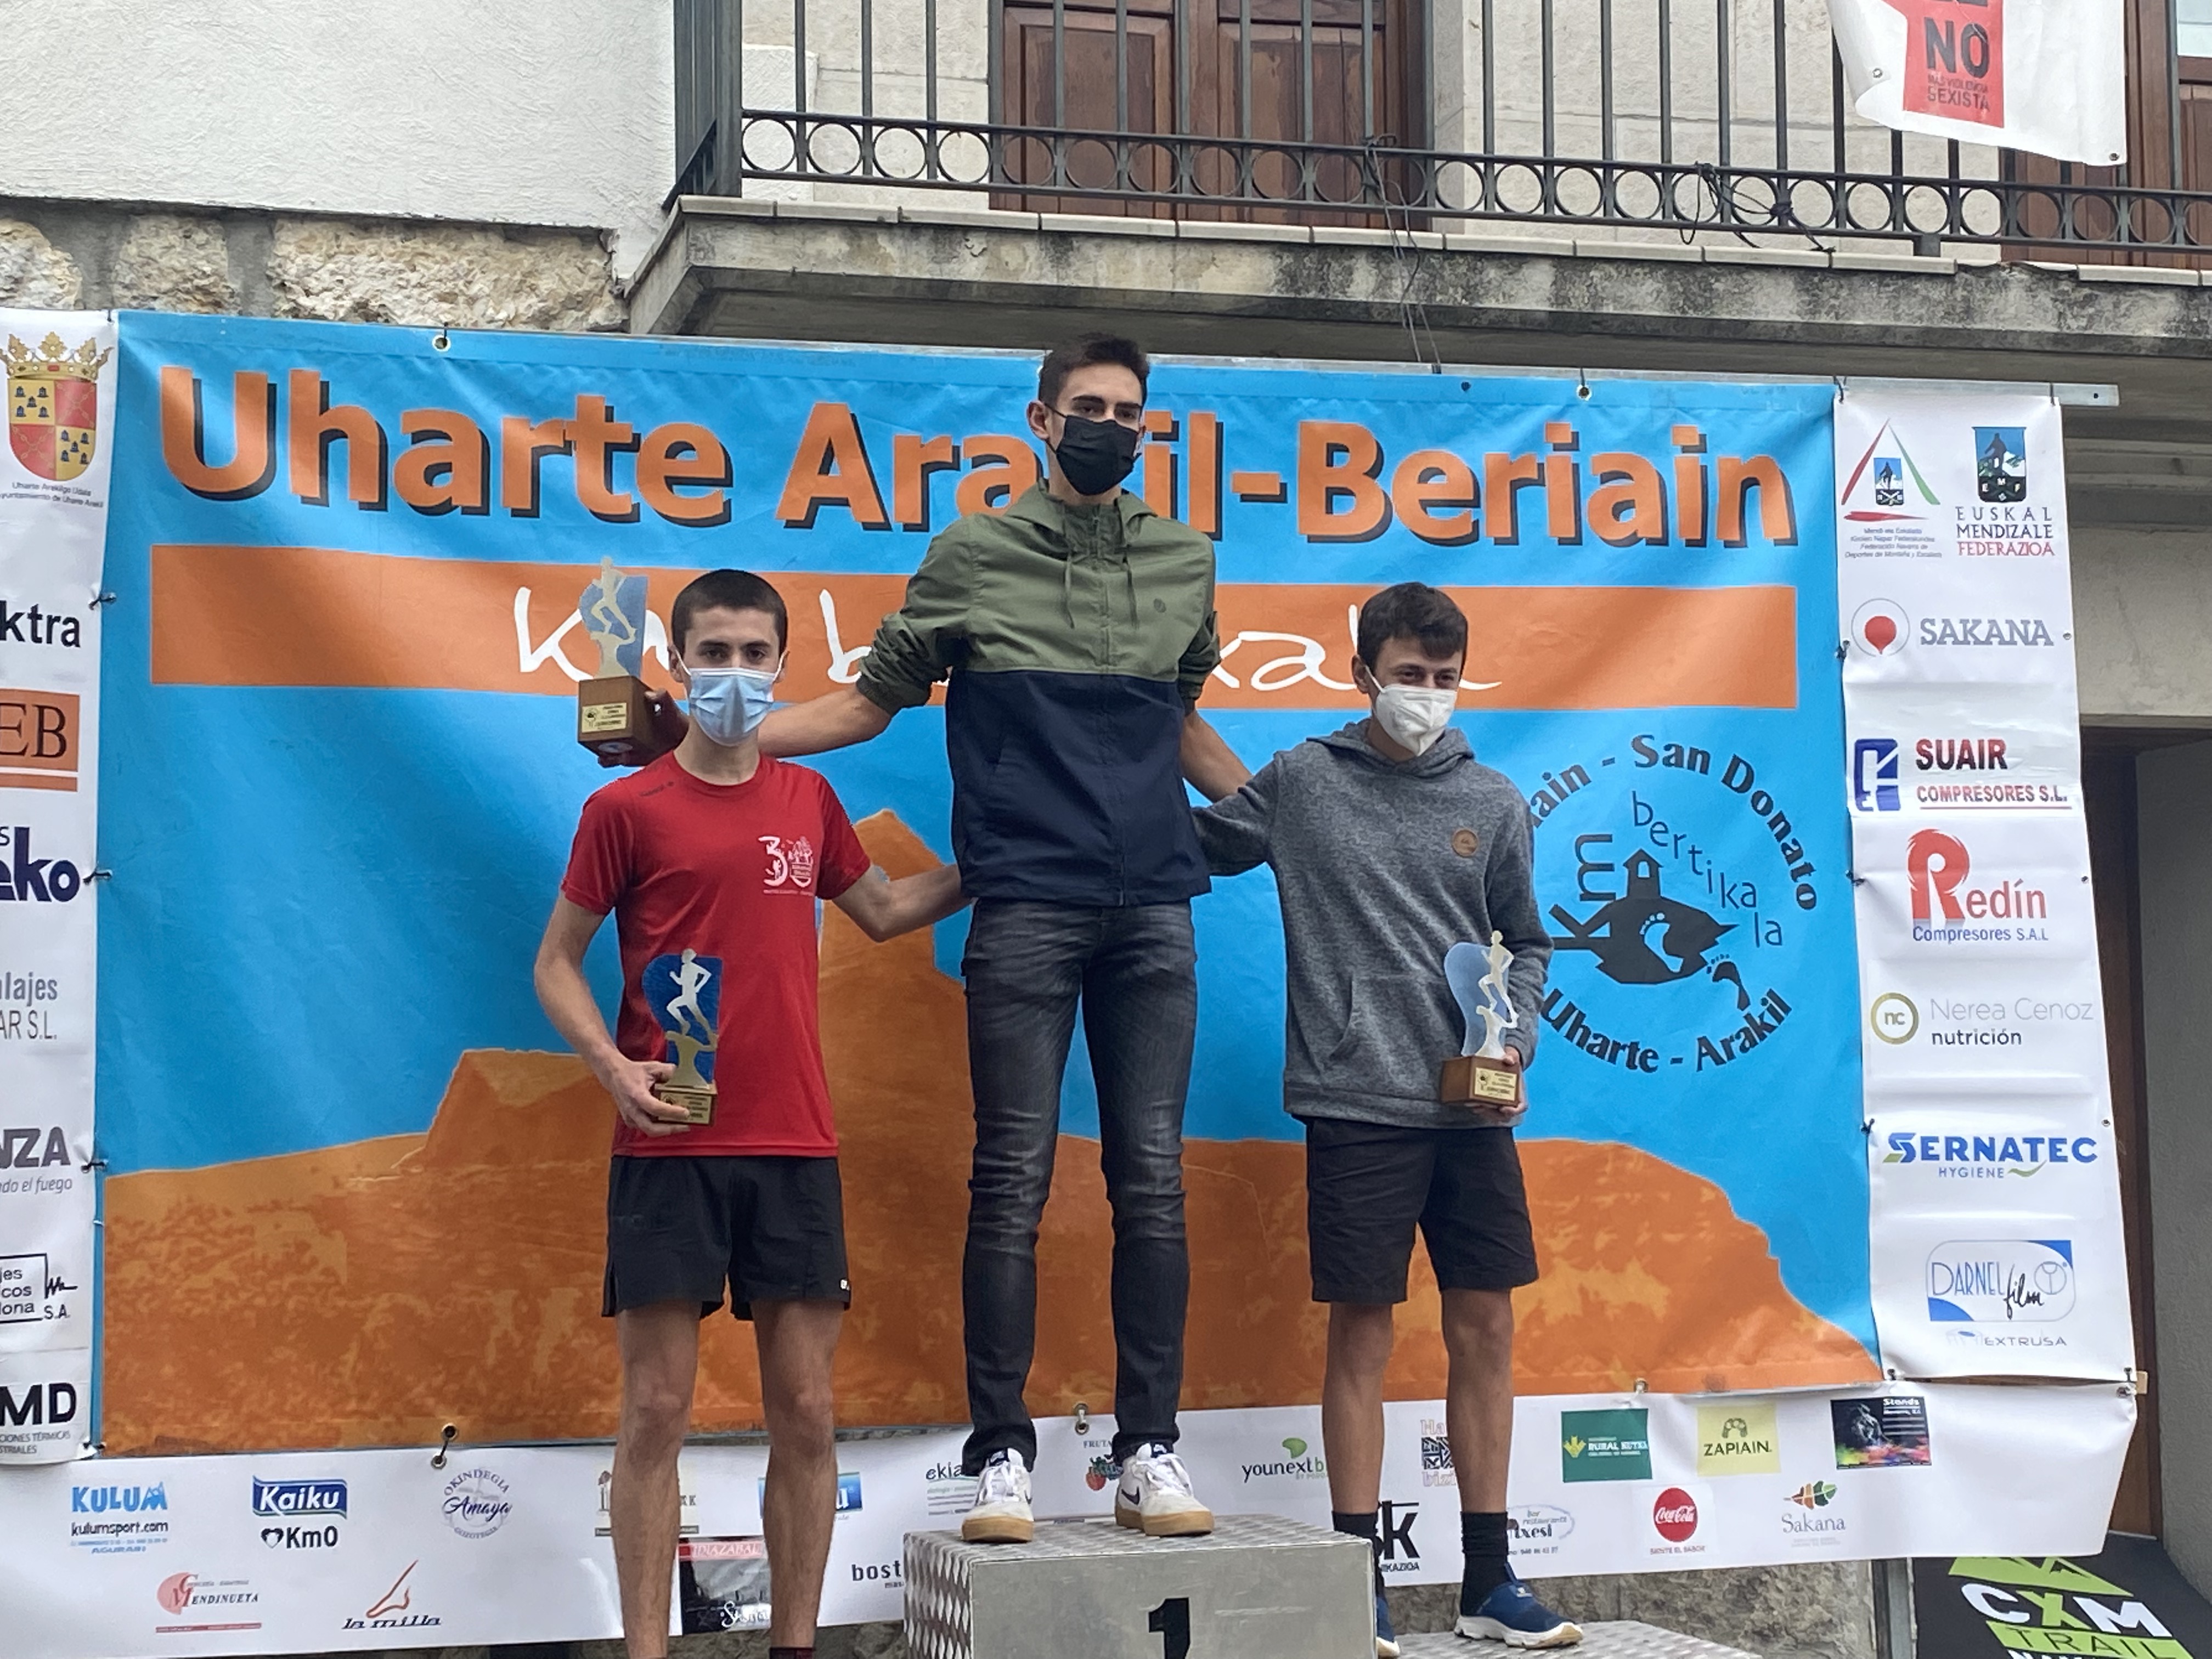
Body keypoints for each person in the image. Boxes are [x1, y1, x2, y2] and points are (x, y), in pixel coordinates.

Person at [751, 332, 1244, 1543]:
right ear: (1040, 418)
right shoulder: (972, 552)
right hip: (1024, 903)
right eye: (1089, 406)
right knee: (1011, 1178)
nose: (1110, 426)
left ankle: (1148, 1451)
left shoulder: (1186, 559)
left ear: (1148, 425)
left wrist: (1290, 816)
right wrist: (719, 737)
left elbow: (1180, 728)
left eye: (1129, 411)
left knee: (1152, 1183)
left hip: (1155, 910)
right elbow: (868, 705)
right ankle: (1002, 1458)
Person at [534, 569, 968, 1659]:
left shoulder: (808, 801)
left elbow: (887, 910)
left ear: (782, 665)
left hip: (794, 1145)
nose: (734, 672)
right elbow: (554, 964)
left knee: (808, 1411)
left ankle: (796, 1645)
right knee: (655, 1413)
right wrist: (612, 1068)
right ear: (677, 666)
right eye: (714, 653)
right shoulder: (623, 809)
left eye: (753, 654)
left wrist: (1000, 860)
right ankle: (646, 1650)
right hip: (668, 1145)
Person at [1189, 583, 1582, 1655]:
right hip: (1355, 1101)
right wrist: (1125, 737)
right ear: (1363, 673)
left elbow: (1527, 941)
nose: (1428, 694)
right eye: (1409, 674)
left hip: (1472, 1108)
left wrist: (1514, 1038)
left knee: (1486, 1326)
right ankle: (1355, 1580)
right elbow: (1199, 844)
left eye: (1445, 678)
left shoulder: (1494, 799)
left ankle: (1490, 1581)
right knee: (1362, 1331)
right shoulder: (1303, 781)